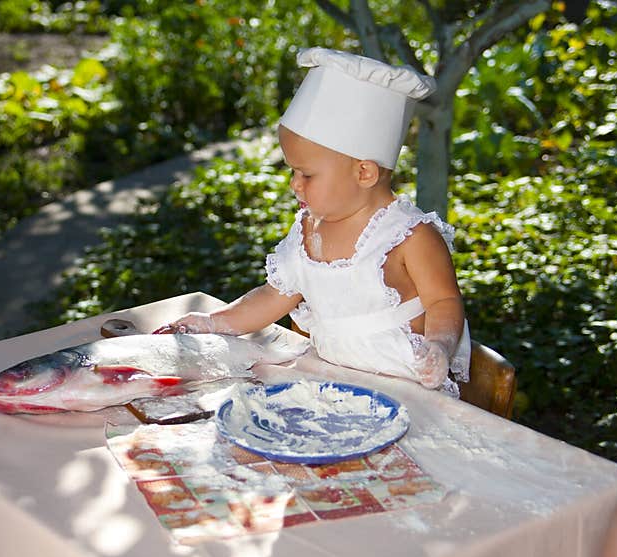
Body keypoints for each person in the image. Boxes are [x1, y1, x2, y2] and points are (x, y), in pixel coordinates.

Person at [155, 47, 470, 396]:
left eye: (305, 173)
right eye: (292, 170)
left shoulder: (408, 236)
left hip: (406, 390)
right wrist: (216, 322)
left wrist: (439, 346)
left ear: (364, 172)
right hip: (330, 382)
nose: (294, 183)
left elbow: (443, 302)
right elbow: (274, 296)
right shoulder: (309, 228)